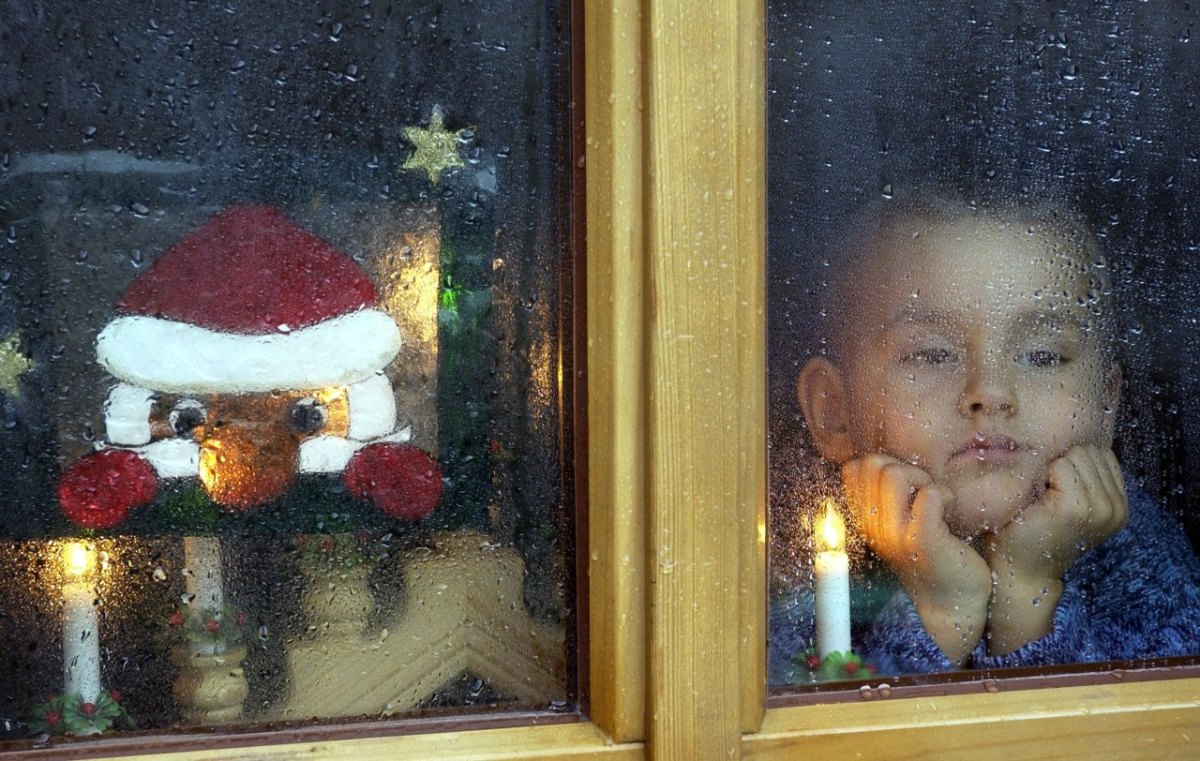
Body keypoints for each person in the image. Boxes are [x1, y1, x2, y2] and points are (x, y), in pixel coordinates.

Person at [770, 196, 1200, 681]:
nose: (989, 392)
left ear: (1105, 406)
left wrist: (1028, 592)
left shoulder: (1138, 553)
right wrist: (941, 615)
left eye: (1042, 356)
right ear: (834, 411)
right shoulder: (802, 552)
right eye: (931, 354)